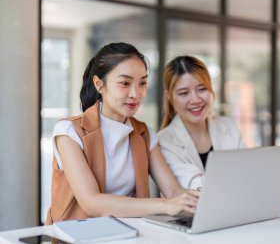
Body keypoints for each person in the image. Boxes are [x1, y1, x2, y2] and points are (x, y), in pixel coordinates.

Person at [46, 43, 199, 224]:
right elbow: (91, 203)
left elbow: (173, 191)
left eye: (142, 83)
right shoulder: (69, 132)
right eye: (125, 83)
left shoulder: (144, 134)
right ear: (99, 84)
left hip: (133, 235)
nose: (136, 94)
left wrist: (205, 199)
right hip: (80, 238)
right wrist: (165, 205)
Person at [158, 55, 280, 204]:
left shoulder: (228, 126)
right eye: (183, 93)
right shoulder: (163, 142)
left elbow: (247, 175)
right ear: (169, 97)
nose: (195, 100)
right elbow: (199, 187)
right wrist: (261, 169)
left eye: (202, 89)